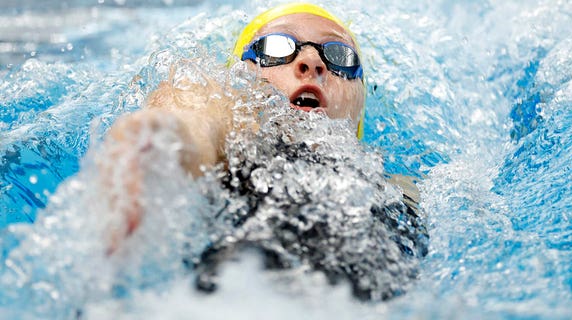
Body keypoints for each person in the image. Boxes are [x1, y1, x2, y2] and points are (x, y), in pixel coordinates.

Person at [100, 2, 427, 301]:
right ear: (238, 78)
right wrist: (157, 136)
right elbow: (193, 116)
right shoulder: (234, 139)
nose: (311, 61)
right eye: (276, 48)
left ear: (359, 104)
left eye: (340, 55)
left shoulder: (400, 191)